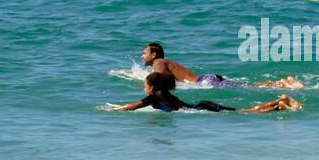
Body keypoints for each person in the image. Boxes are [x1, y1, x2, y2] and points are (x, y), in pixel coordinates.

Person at [114, 72, 302, 113]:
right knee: (243, 110)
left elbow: (134, 106)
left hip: (203, 108)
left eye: (145, 85)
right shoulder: (162, 94)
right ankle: (279, 102)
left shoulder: (154, 96)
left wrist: (114, 110)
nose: (144, 88)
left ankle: (280, 103)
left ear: (151, 87)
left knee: (245, 112)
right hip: (202, 105)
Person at [140, 43, 303, 88]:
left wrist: (150, 83)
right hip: (207, 79)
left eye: (144, 53)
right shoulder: (165, 62)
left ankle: (282, 84)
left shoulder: (159, 62)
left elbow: (159, 76)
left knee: (250, 87)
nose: (142, 56)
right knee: (246, 86)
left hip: (204, 82)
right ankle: (281, 83)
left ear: (153, 55)